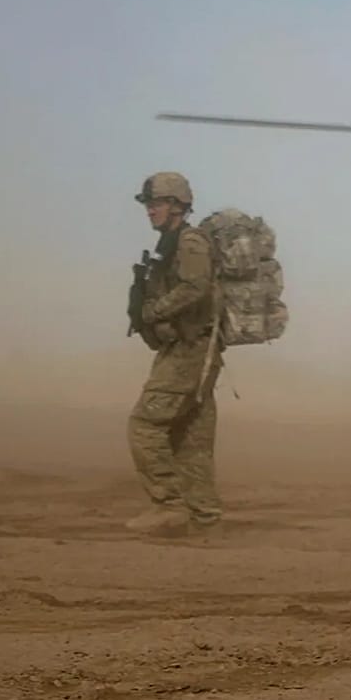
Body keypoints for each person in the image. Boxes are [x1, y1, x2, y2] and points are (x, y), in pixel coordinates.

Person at [126, 171, 225, 539]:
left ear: (178, 206)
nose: (150, 210)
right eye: (149, 204)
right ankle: (205, 520)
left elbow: (195, 287)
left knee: (145, 425)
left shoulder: (190, 241)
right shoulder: (171, 243)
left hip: (189, 351)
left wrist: (155, 311)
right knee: (191, 439)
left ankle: (168, 505)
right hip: (194, 350)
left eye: (157, 204)